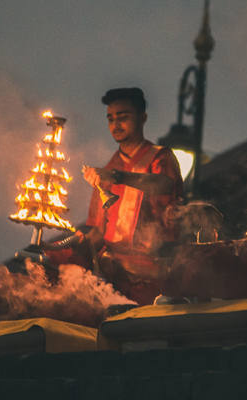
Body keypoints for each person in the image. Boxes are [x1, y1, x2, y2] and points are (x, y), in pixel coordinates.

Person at [50, 88, 183, 305]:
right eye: (110, 119)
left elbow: (163, 185)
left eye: (123, 117)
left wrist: (117, 177)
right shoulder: (107, 171)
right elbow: (98, 232)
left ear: (143, 118)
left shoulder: (160, 157)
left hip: (156, 280)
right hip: (114, 281)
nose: (115, 125)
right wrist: (67, 245)